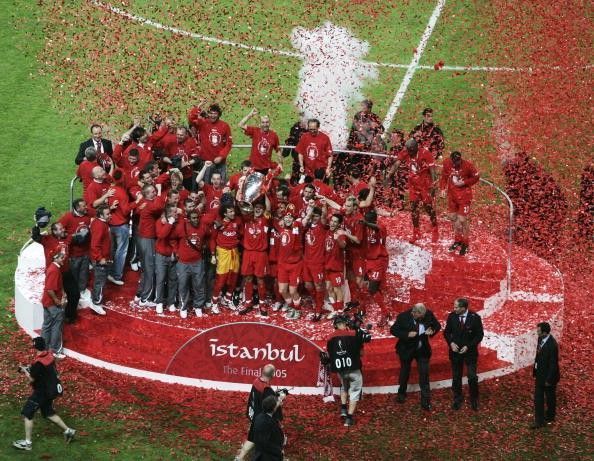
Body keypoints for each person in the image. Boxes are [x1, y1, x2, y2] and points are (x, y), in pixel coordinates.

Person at [386, 138, 439, 244]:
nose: (408, 152)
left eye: (411, 150)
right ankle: (416, 232)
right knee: (414, 208)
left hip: (425, 185)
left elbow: (433, 170)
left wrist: (434, 185)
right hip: (413, 186)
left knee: (428, 208)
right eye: (408, 150)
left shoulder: (425, 153)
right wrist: (389, 174)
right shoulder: (406, 151)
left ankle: (435, 228)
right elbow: (397, 163)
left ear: (416, 148)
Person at [390, 303, 441, 410]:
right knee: (405, 372)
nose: (423, 317)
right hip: (406, 349)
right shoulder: (403, 317)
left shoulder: (428, 314)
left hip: (422, 350)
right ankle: (401, 394)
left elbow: (437, 325)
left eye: (424, 315)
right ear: (414, 312)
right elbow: (393, 330)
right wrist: (407, 334)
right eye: (420, 316)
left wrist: (432, 330)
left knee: (424, 374)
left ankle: (425, 402)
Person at [236, 364, 286, 461]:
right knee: (262, 442)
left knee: (251, 438)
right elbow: (271, 406)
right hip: (263, 420)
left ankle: (239, 458)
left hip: (255, 417)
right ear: (272, 375)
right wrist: (280, 399)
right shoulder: (267, 389)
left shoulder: (256, 381)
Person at [443, 297, 484, 410]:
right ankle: (457, 399)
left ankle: (474, 400)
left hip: (470, 353)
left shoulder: (475, 318)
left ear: (463, 308)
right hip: (455, 352)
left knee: (472, 376)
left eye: (456, 307)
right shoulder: (452, 316)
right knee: (456, 377)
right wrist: (451, 343)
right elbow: (446, 332)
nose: (454, 309)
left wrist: (468, 346)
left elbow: (479, 335)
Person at [326, 314, 364, 427]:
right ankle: (349, 418)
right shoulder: (353, 334)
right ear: (346, 323)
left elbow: (329, 355)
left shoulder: (330, 338)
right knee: (355, 392)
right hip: (354, 369)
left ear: (335, 326)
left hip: (341, 370)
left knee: (344, 386)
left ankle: (343, 408)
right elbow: (361, 353)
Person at [439, 151, 480, 256]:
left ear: (460, 159)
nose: (456, 164)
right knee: (453, 218)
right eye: (454, 162)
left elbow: (476, 177)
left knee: (462, 220)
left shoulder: (467, 165)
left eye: (458, 162)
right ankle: (458, 240)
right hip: (452, 196)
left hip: (464, 197)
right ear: (451, 160)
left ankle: (465, 244)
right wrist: (443, 189)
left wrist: (465, 182)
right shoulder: (446, 163)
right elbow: (443, 177)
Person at [58, 199, 92, 316]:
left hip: (85, 252)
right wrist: (71, 236)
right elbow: (58, 230)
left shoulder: (87, 216)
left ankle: (81, 291)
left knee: (84, 272)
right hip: (73, 254)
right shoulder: (68, 217)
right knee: (74, 274)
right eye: (83, 206)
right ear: (77, 208)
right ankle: (74, 294)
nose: (85, 207)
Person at [188, 102, 233, 183]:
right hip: (206, 162)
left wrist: (221, 156)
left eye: (215, 113)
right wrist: (197, 108)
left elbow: (228, 144)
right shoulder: (202, 123)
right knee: (206, 185)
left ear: (219, 114)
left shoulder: (225, 126)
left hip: (220, 163)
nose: (213, 115)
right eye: (211, 113)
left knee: (221, 185)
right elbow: (191, 119)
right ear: (208, 114)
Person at [532, 322, 560, 429]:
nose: (537, 333)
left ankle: (550, 416)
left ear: (544, 332)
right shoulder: (540, 339)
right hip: (540, 374)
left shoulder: (552, 345)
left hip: (549, 377)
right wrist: (535, 370)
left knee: (550, 397)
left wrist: (548, 379)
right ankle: (539, 421)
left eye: (538, 331)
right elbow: (538, 356)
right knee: (538, 398)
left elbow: (553, 364)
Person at [40, 251, 67, 358]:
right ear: (55, 258)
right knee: (57, 325)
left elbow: (58, 285)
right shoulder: (54, 270)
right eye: (61, 258)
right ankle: (55, 350)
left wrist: (63, 293)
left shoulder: (53, 268)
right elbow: (50, 289)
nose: (63, 259)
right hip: (52, 303)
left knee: (46, 325)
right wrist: (57, 301)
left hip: (46, 302)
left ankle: (43, 348)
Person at [238, 108, 281, 174]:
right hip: (253, 167)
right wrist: (250, 115)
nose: (265, 124)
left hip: (266, 167)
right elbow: (240, 124)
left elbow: (278, 150)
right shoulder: (255, 131)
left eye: (267, 122)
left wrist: (280, 163)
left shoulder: (274, 135)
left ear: (269, 123)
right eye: (263, 122)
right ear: (260, 124)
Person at [89, 205, 111, 315]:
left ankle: (95, 300)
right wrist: (100, 258)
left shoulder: (99, 223)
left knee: (99, 280)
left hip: (102, 257)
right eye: (107, 214)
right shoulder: (100, 226)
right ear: (101, 215)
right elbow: (95, 245)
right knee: (100, 282)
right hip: (100, 259)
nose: (110, 215)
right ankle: (96, 303)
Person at [251, 395, 285, 461]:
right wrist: (279, 451)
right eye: (277, 402)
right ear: (273, 408)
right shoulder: (266, 422)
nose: (279, 403)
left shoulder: (260, 416)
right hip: (268, 457)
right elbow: (265, 443)